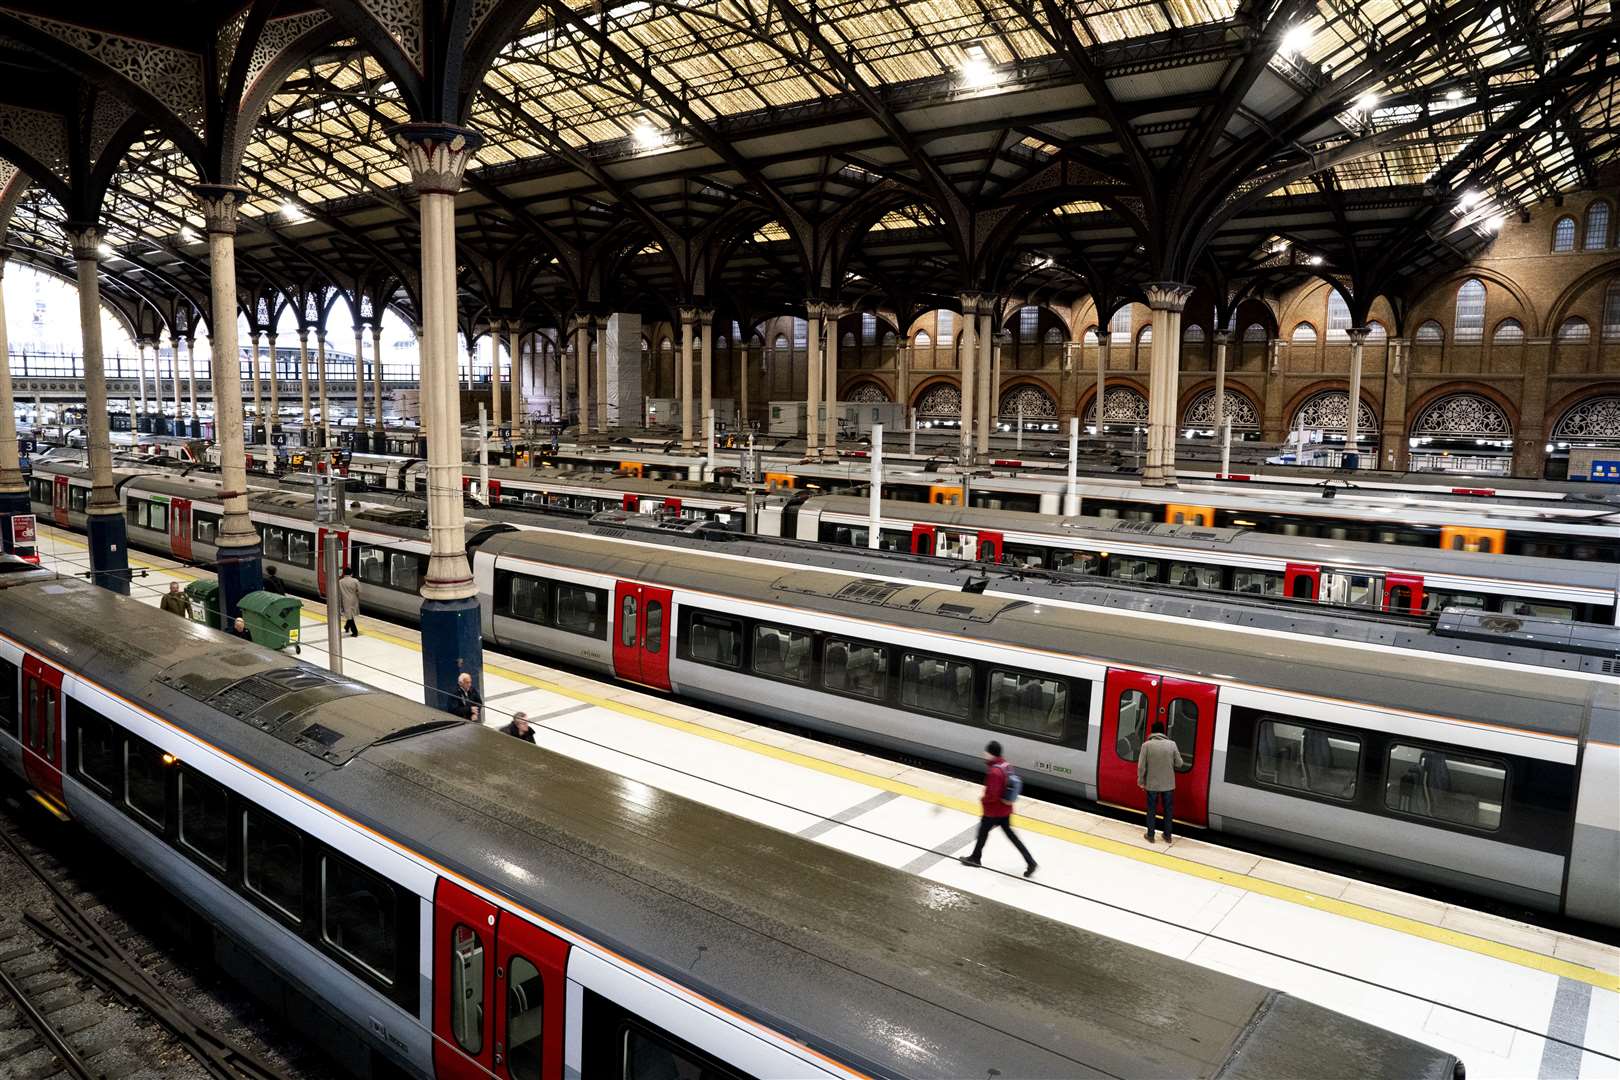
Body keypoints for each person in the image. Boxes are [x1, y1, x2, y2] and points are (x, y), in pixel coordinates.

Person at [959, 741, 1037, 878]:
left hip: (993, 811)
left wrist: (983, 800)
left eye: (986, 752)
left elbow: (992, 794)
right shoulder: (1006, 765)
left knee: (983, 832)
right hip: (1005, 810)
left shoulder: (994, 771)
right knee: (1011, 837)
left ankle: (975, 858)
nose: (984, 754)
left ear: (991, 754)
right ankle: (1030, 861)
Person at [1138, 721, 1185, 844]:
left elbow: (1141, 767)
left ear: (1152, 732)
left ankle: (1150, 835)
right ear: (1163, 732)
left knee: (1151, 809)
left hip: (1152, 784)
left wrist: (1141, 781)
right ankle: (1168, 836)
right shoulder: (1172, 744)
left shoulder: (1146, 745)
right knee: (1168, 810)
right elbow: (1180, 763)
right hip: (1168, 785)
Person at [337, 566, 361, 637]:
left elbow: (338, 592)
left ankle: (355, 632)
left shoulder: (340, 582)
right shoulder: (355, 581)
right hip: (354, 600)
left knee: (349, 616)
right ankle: (347, 627)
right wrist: (357, 595)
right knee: (350, 615)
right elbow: (359, 591)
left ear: (344, 574)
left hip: (345, 600)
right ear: (351, 573)